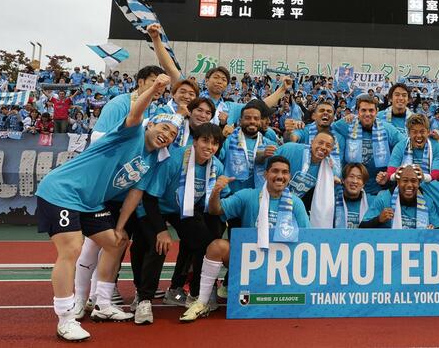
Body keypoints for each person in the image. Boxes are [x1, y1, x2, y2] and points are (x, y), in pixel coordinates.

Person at [35, 75, 176, 341]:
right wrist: (155, 89)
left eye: (172, 135)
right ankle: (66, 318)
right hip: (62, 191)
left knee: (115, 242)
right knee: (72, 249)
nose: (166, 135)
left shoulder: (151, 161)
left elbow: (134, 195)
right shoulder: (131, 133)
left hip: (91, 203)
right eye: (164, 128)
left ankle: (103, 304)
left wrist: (121, 226)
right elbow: (135, 115)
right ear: (151, 125)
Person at [180, 155, 310, 322]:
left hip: (281, 265)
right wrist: (216, 192)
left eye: (285, 172)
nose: (280, 176)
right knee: (217, 246)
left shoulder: (296, 203)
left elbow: (308, 238)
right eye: (275, 171)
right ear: (265, 174)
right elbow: (215, 210)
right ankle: (202, 302)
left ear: (289, 176)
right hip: (250, 261)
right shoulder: (248, 196)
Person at [128, 123, 224, 324]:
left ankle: (196, 294)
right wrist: (162, 231)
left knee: (205, 243)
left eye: (215, 143)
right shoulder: (173, 160)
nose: (210, 147)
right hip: (153, 206)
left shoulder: (217, 166)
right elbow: (150, 198)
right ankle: (144, 298)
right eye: (205, 141)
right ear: (195, 142)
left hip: (182, 209)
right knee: (158, 245)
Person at [331, 94, 402, 196]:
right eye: (363, 110)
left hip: (378, 187)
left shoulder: (386, 128)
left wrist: (392, 169)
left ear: (376, 111)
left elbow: (404, 144)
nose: (367, 114)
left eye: (371, 110)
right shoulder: (348, 124)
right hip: (351, 186)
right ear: (357, 112)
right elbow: (327, 128)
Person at [274, 130, 340, 225]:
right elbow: (268, 167)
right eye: (320, 143)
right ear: (312, 142)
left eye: (328, 146)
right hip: (273, 199)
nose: (323, 147)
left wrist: (330, 179)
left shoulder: (329, 169)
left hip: (294, 207)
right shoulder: (290, 149)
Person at [361, 164, 439, 229]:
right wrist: (379, 219)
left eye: (413, 181)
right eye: (405, 180)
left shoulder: (427, 201)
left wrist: (433, 233)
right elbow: (361, 228)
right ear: (398, 182)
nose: (409, 185)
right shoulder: (384, 197)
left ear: (419, 183)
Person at [386, 113, 439, 182]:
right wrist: (394, 175)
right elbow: (391, 173)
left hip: (430, 189)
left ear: (428, 132)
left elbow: (437, 176)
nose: (418, 135)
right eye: (414, 132)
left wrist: (422, 177)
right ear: (408, 133)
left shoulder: (438, 147)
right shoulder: (400, 146)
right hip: (404, 189)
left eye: (422, 131)